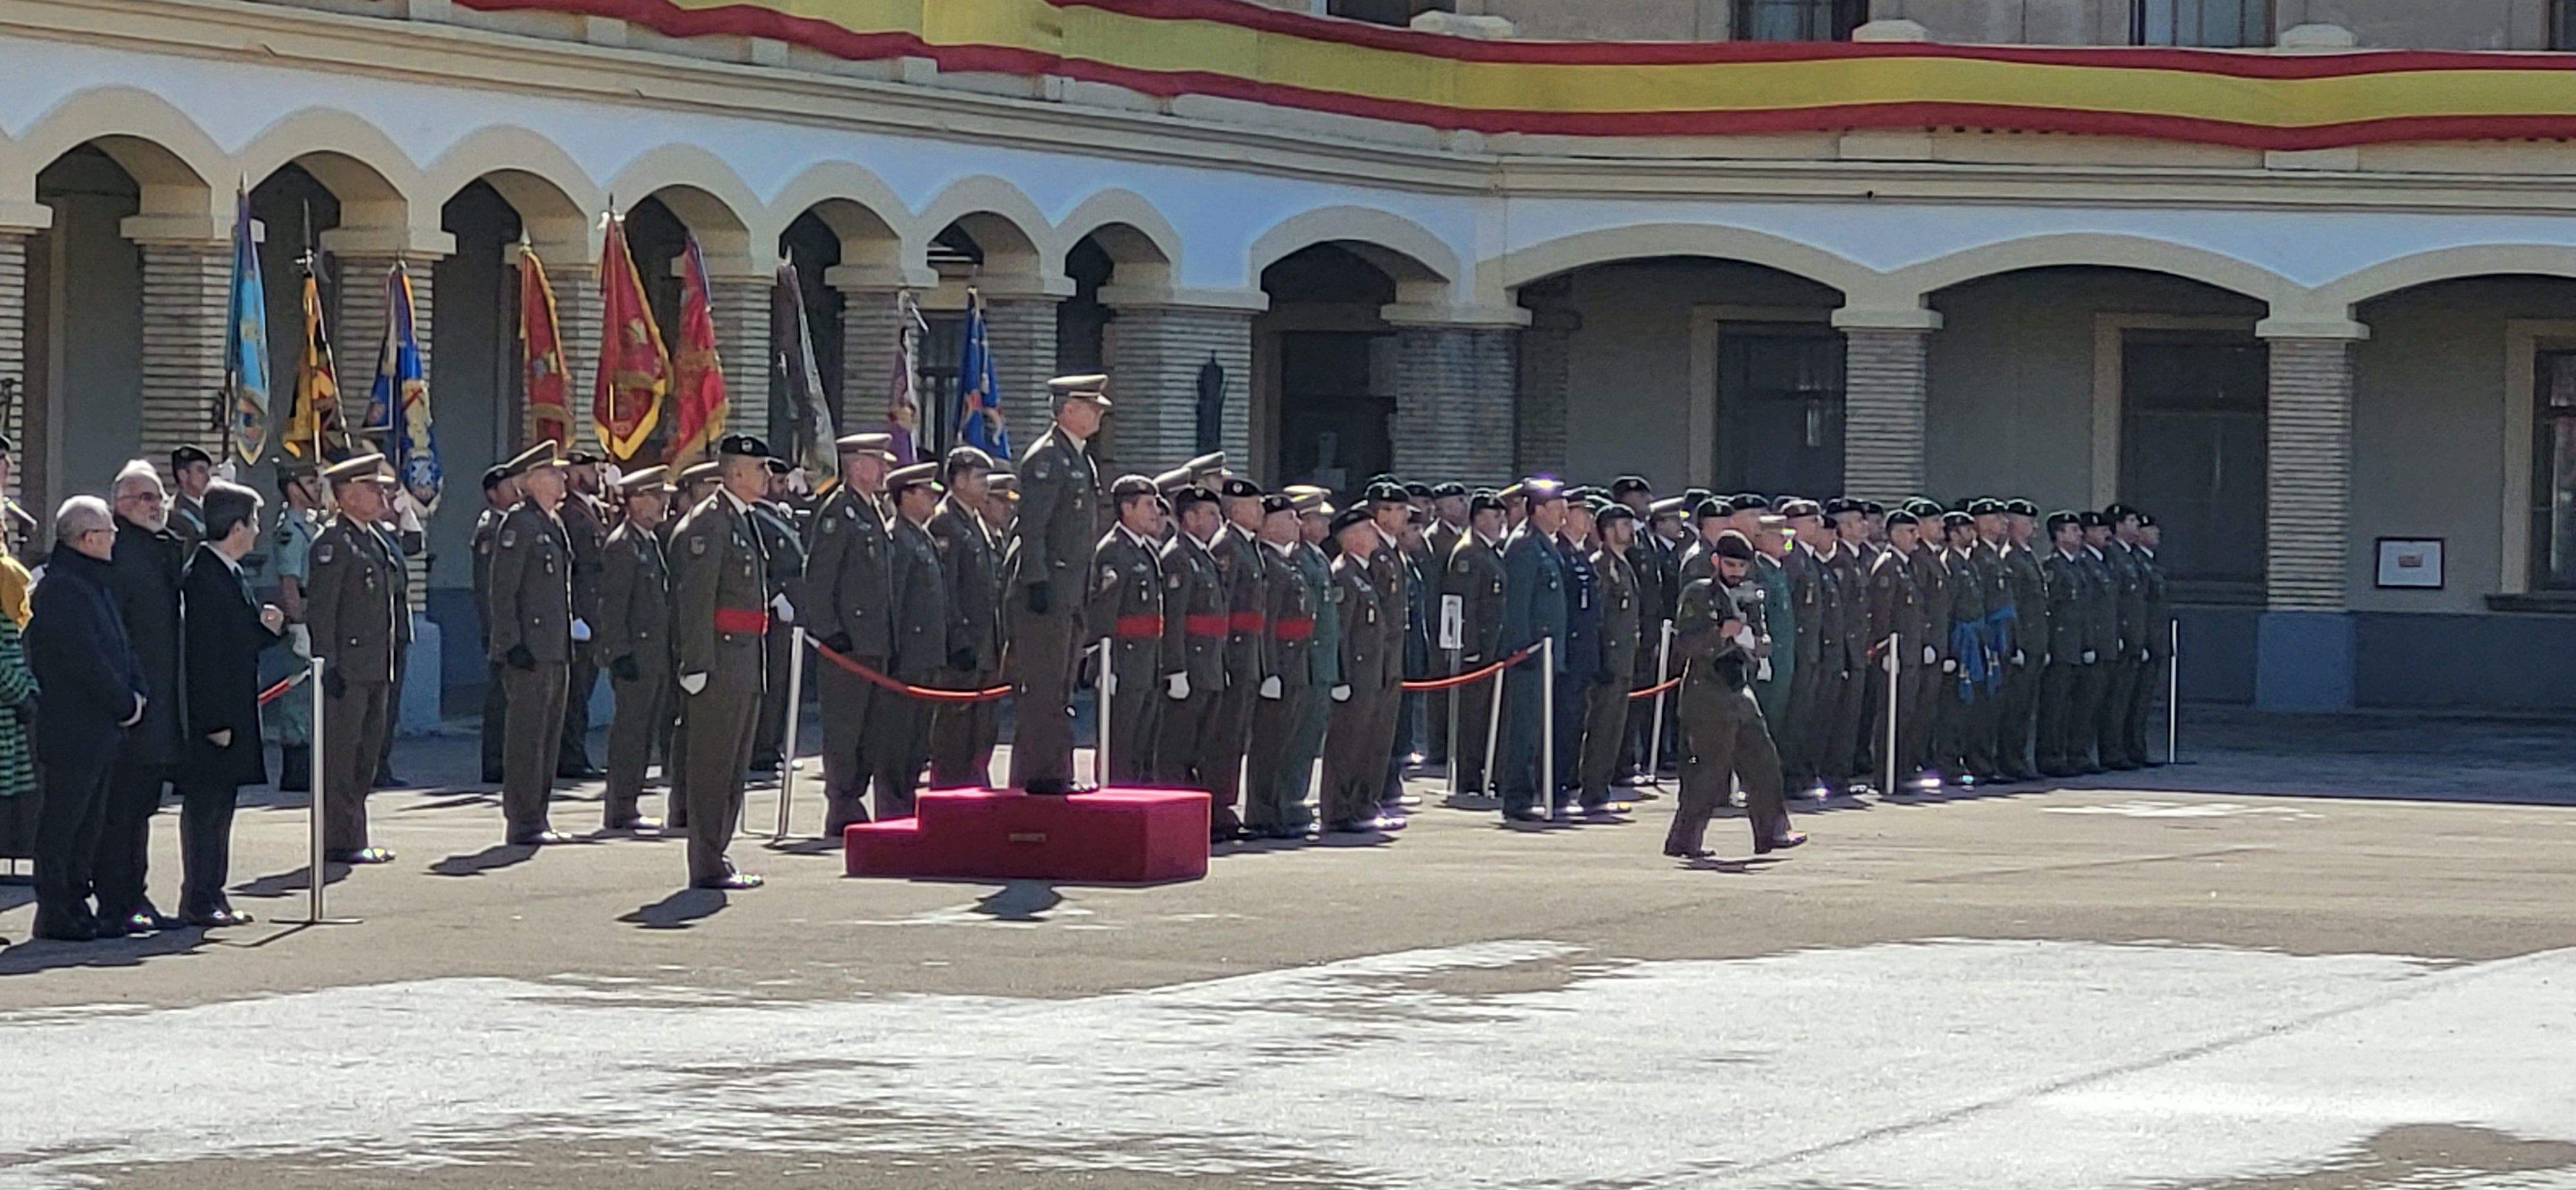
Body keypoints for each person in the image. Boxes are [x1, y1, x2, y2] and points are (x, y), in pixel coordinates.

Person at [26, 497, 148, 941]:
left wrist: (137, 693)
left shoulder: (94, 582)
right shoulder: (62, 588)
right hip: (74, 727)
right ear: (87, 537)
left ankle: (79, 902)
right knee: (64, 823)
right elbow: (85, 660)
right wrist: (123, 702)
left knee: (90, 825)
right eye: (108, 532)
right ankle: (57, 908)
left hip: (102, 729)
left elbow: (121, 645)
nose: (114, 538)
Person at [669, 435, 777, 891]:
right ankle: (707, 861)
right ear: (735, 473)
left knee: (733, 767)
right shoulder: (709, 525)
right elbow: (696, 600)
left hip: (743, 657)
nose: (768, 477)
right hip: (719, 660)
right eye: (760, 468)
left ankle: (718, 855)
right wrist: (695, 663)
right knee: (713, 768)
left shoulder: (740, 519)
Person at [175, 481, 285, 927]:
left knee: (222, 808)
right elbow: (204, 656)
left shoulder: (228, 573)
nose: (257, 532)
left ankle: (212, 892)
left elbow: (238, 642)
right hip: (216, 717)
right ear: (236, 526)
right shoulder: (203, 576)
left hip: (234, 709)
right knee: (207, 809)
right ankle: (200, 897)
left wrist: (268, 629)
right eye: (253, 522)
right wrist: (215, 721)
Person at [1663, 529, 1804, 860]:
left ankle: (1772, 831)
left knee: (1763, 760)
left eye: (1742, 565)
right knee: (1710, 770)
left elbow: (1765, 638)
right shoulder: (1699, 595)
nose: (1736, 572)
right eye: (1729, 564)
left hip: (1739, 687)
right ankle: (1684, 839)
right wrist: (1719, 635)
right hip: (1706, 689)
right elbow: (1685, 644)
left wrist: (1754, 643)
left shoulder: (1751, 595)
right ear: (1716, 562)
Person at [1007, 375, 1109, 795]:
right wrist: (1037, 580)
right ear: (1068, 409)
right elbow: (1033, 527)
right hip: (1048, 592)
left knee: (1061, 685)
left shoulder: (1078, 458)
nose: (1099, 414)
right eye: (1092, 407)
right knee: (1045, 688)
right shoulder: (1048, 458)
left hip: (1071, 589)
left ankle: (1053, 771)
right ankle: (1043, 774)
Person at [97, 459, 186, 934]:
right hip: (129, 706)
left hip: (161, 703)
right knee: (121, 811)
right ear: (119, 506)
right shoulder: (119, 556)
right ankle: (117, 901)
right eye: (143, 498)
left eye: (158, 497)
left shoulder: (163, 551)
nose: (155, 506)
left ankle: (138, 895)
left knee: (143, 808)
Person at [308, 455, 402, 865]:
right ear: (346, 495)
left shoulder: (375, 539)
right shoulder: (333, 543)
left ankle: (354, 833)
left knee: (366, 754)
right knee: (342, 757)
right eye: (373, 488)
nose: (383, 495)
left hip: (376, 664)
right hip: (348, 667)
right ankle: (339, 838)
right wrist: (327, 661)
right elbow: (323, 609)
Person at [804, 433, 898, 831]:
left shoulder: (872, 511)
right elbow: (820, 578)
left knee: (870, 729)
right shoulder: (838, 513)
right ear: (857, 466)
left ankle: (854, 796)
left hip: (874, 642)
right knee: (845, 729)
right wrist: (829, 631)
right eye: (878, 462)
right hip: (848, 645)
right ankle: (841, 802)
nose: (884, 470)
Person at [487, 442, 577, 846]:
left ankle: (538, 814)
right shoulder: (519, 525)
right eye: (555, 473)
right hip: (530, 651)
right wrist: (510, 642)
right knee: (526, 738)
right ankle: (523, 819)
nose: (563, 479)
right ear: (534, 480)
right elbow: (503, 590)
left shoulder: (551, 523)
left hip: (554, 647)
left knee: (547, 736)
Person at [872, 461, 956, 817]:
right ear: (906, 496)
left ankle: (905, 802)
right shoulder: (897, 538)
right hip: (906, 655)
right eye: (926, 492)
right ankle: (892, 807)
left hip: (926, 654)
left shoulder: (919, 536)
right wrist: (895, 650)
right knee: (897, 738)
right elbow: (893, 600)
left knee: (918, 738)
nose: (933, 499)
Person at [598, 466, 673, 833]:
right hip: (636, 656)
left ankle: (630, 803)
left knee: (644, 734)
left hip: (654, 654)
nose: (664, 503)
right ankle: (621, 807)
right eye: (657, 497)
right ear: (636, 501)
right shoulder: (623, 546)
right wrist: (618, 652)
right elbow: (613, 605)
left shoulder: (648, 541)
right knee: (630, 733)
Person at [927, 447, 1007, 789]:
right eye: (979, 478)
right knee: (954, 729)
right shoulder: (946, 522)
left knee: (983, 726)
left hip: (985, 643)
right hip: (961, 646)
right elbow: (946, 590)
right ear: (958, 481)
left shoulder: (975, 522)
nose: (986, 486)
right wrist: (957, 641)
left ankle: (974, 782)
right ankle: (949, 787)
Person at [1242, 495, 1315, 839]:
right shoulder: (1268, 564)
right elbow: (1267, 623)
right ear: (1271, 524)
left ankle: (1280, 806)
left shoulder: (1286, 562)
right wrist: (1270, 670)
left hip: (1296, 663)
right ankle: (1263, 812)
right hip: (1281, 665)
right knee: (1270, 744)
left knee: (1288, 741)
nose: (1297, 525)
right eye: (1290, 518)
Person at [1497, 479, 1569, 823]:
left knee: (1537, 726)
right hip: (1531, 654)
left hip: (1547, 652)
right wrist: (1520, 649)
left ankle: (1531, 790)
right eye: (1557, 508)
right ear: (1538, 509)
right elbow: (1517, 605)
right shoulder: (1525, 546)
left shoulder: (1545, 545)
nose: (1564, 515)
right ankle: (1517, 796)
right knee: (1524, 727)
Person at [1153, 483, 1229, 801]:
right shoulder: (1178, 557)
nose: (1217, 520)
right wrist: (1176, 669)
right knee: (1178, 746)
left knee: (1201, 745)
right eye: (1210, 514)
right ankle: (1176, 807)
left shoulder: (1202, 556)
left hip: (1208, 665)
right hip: (1191, 666)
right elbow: (1175, 619)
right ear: (1190, 518)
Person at [1320, 506, 1394, 834]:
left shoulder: (1364, 573)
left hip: (1371, 674)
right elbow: (1340, 633)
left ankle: (1360, 804)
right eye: (1366, 528)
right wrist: (1341, 676)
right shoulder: (1344, 575)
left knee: (1366, 743)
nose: (1374, 532)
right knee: (1346, 745)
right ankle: (1339, 809)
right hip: (1355, 676)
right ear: (1349, 539)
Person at [1093, 475, 1167, 786]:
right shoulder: (1113, 551)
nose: (1156, 512)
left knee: (1142, 743)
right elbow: (1104, 614)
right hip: (1124, 661)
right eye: (1148, 505)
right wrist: (1105, 665)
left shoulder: (1143, 550)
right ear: (1127, 508)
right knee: (1120, 743)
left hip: (1146, 661)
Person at [1209, 477, 1270, 836]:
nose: (1260, 510)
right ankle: (1218, 804)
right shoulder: (1229, 547)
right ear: (1234, 509)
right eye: (1254, 505)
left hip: (1249, 653)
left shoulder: (1248, 546)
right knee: (1225, 735)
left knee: (1237, 736)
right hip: (1233, 654)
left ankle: (1226, 803)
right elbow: (1224, 606)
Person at [1577, 501, 1642, 817]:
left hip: (1623, 659)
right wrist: (1600, 658)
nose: (1629, 530)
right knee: (1602, 728)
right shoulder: (1601, 565)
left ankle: (1600, 786)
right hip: (1609, 660)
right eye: (1623, 524)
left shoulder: (1622, 564)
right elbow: (1598, 617)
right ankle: (1593, 789)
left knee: (1613, 728)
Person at [1443, 491, 1508, 800]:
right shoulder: (1468, 554)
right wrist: (1467, 648)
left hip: (1492, 649)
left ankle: (1484, 771)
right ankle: (1468, 777)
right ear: (1480, 518)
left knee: (1484, 717)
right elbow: (1462, 606)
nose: (1500, 523)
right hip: (1476, 651)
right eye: (1495, 517)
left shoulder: (1490, 552)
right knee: (1472, 716)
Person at [268, 460, 325, 791]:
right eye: (309, 482)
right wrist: (298, 624)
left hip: (317, 610)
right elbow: (290, 581)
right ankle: (296, 770)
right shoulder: (290, 529)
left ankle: (310, 764)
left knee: (313, 693)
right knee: (299, 697)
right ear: (293, 489)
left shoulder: (311, 526)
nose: (317, 488)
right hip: (302, 611)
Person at [555, 449, 611, 780]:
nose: (598, 477)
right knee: (575, 694)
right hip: (582, 615)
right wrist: (575, 613)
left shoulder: (591, 511)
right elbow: (571, 568)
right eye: (592, 471)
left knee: (583, 690)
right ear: (576, 474)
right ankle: (569, 758)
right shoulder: (570, 515)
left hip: (594, 613)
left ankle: (574, 754)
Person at [471, 464, 520, 785]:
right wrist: (496, 630)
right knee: (501, 698)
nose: (517, 490)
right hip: (499, 628)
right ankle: (495, 761)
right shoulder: (492, 529)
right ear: (493, 494)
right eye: (509, 486)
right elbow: (489, 587)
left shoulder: (510, 525)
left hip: (508, 626)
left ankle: (506, 758)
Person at [2036, 511, 2094, 779]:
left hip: (2077, 647)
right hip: (2060, 648)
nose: (2079, 534)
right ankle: (2050, 756)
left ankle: (2073, 754)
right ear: (2058, 535)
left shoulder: (2078, 568)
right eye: (2072, 530)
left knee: (2076, 707)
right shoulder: (2052, 568)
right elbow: (2049, 611)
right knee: (2055, 707)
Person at [1995, 499, 2049, 782]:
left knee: (2025, 707)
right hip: (2023, 644)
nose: (2033, 529)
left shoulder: (2027, 557)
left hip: (2035, 642)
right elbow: (2013, 607)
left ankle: (2017, 757)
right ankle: (2009, 759)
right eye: (2027, 523)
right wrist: (2016, 645)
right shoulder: (2011, 558)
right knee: (2014, 707)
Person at [1555, 499, 1602, 809]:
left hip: (1582, 650)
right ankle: (1557, 785)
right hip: (1567, 650)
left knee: (1575, 721)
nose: (1587, 520)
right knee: (1564, 720)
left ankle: (1567, 782)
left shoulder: (1579, 554)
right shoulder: (1560, 553)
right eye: (1581, 513)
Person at [2128, 511, 2170, 768]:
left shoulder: (2150, 564)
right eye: (2148, 529)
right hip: (2140, 639)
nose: (2156, 534)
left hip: (2153, 639)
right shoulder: (2134, 562)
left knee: (2142, 701)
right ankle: (2126, 749)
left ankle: (2136, 748)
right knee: (2129, 702)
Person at [167, 444, 214, 551]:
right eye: (201, 471)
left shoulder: (211, 506)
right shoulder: (176, 515)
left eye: (209, 471)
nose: (208, 477)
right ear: (183, 475)